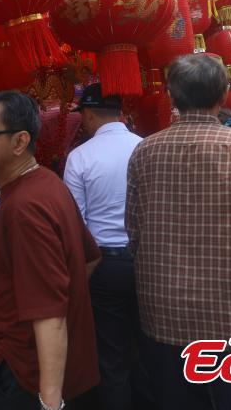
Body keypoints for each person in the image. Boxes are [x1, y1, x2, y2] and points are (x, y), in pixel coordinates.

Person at [126, 54, 231, 410]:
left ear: (172, 97)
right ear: (223, 96)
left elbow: (134, 232)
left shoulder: (144, 151)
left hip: (164, 315)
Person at [0, 90, 101, 410]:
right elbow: (90, 258)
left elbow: (49, 314)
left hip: (19, 372)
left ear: (19, 142)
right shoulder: (48, 183)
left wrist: (49, 400)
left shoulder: (24, 207)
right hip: (35, 365)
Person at [62, 83, 152, 410]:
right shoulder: (145, 146)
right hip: (147, 262)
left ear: (86, 115)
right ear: (120, 113)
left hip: (103, 266)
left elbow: (75, 223)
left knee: (112, 358)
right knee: (149, 349)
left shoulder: (80, 157)